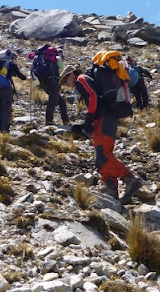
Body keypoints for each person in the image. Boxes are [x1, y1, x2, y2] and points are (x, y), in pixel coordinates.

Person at [60, 64, 143, 203]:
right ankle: (112, 191)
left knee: (103, 156)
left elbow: (93, 96)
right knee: (101, 158)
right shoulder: (86, 79)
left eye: (65, 80)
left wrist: (89, 118)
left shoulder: (81, 79)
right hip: (104, 119)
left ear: (71, 74)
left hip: (104, 118)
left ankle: (130, 179)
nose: (66, 84)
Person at [0, 49, 27, 133]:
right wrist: (28, 79)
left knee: (0, 111)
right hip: (6, 89)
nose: (16, 61)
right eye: (16, 59)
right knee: (6, 110)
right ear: (12, 58)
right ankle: (4, 130)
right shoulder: (10, 64)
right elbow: (20, 76)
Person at [30, 45, 70, 126]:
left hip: (45, 83)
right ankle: (49, 121)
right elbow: (61, 67)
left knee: (61, 102)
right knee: (53, 102)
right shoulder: (54, 59)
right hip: (53, 83)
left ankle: (65, 120)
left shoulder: (44, 59)